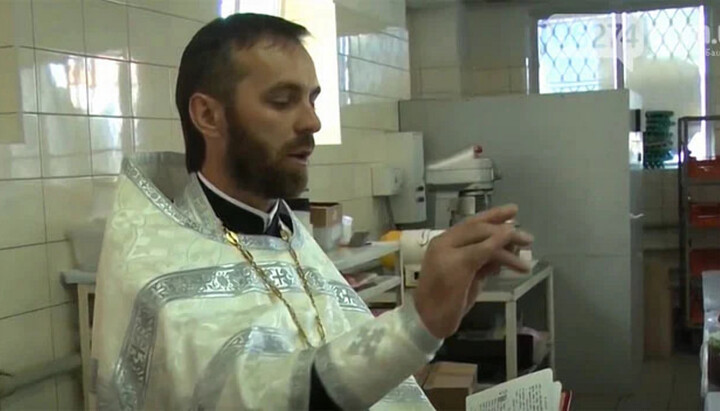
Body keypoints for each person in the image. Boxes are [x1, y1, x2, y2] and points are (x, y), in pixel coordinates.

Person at [90, 13, 534, 410]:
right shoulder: (159, 276)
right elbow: (247, 396)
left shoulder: (286, 232)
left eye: (312, 99)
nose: (312, 122)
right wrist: (417, 324)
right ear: (209, 115)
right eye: (282, 101)